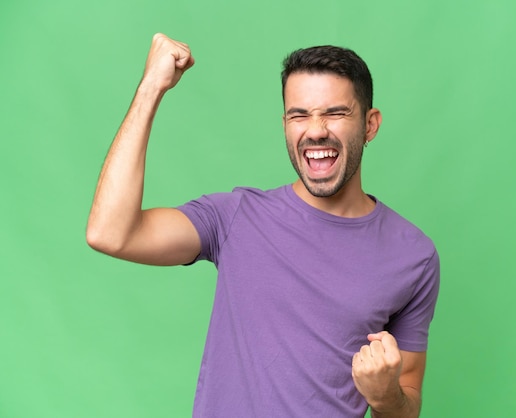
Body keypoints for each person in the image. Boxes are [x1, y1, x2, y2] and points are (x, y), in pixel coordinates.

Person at [87, 33, 440, 418]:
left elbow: (406, 400)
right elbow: (110, 233)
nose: (316, 130)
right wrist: (151, 88)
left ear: (370, 125)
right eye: (298, 114)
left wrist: (386, 396)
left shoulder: (413, 256)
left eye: (335, 113)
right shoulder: (235, 217)